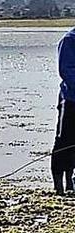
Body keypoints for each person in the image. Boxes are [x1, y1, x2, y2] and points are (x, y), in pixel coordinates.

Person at [53, 26, 75, 195]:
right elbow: (66, 71)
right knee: (64, 141)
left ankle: (71, 182)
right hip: (71, 99)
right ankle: (59, 186)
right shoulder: (69, 40)